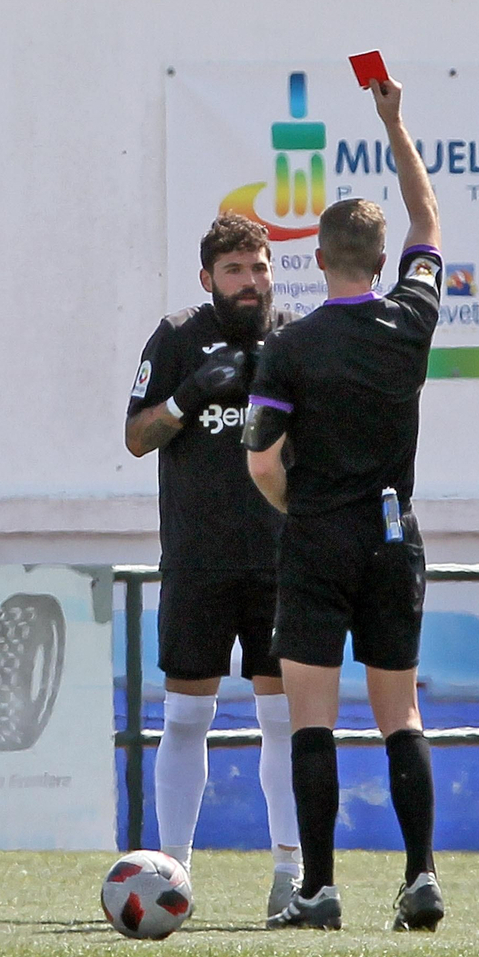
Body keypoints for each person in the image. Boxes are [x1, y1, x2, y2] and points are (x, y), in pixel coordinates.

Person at [244, 76, 444, 932]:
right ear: (381, 257)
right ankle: (422, 876)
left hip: (319, 535)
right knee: (399, 711)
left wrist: (305, 509)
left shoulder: (289, 346)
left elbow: (259, 465)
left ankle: (320, 891)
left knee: (310, 719)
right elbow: (428, 222)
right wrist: (396, 125)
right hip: (394, 536)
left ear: (318, 258)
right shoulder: (413, 320)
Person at [124, 214, 303, 918]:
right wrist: (189, 395)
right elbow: (138, 436)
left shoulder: (294, 336)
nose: (250, 282)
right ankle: (173, 875)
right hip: (197, 560)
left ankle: (291, 875)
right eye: (235, 270)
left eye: (259, 268)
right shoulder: (176, 335)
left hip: (281, 562)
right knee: (187, 717)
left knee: (286, 723)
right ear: (209, 279)